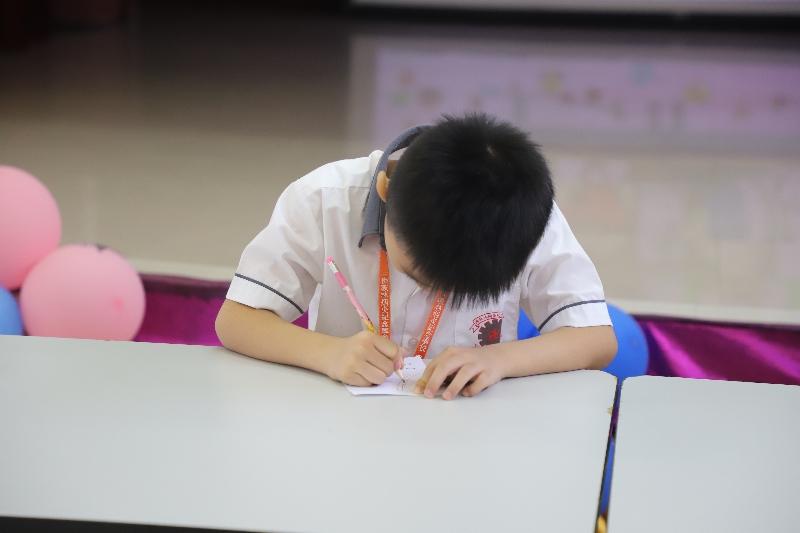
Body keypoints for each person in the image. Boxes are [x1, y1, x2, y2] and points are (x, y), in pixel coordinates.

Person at [216, 113, 617, 400]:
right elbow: (236, 320)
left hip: (471, 431)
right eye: (418, 274)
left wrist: (498, 360)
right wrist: (329, 353)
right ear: (385, 192)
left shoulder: (521, 219)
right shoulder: (325, 200)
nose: (431, 291)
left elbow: (596, 339)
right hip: (342, 425)